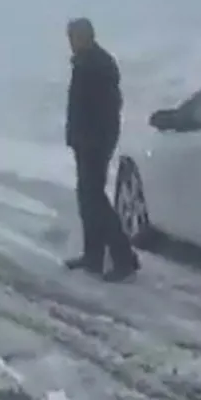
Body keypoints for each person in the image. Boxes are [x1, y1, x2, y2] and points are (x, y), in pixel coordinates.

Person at [64, 17, 140, 282]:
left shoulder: (98, 65)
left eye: (74, 37)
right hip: (85, 141)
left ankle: (124, 258)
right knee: (87, 199)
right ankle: (93, 256)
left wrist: (95, 140)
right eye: (70, 37)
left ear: (87, 37)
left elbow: (108, 109)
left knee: (95, 199)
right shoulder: (84, 62)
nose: (71, 42)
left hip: (95, 143)